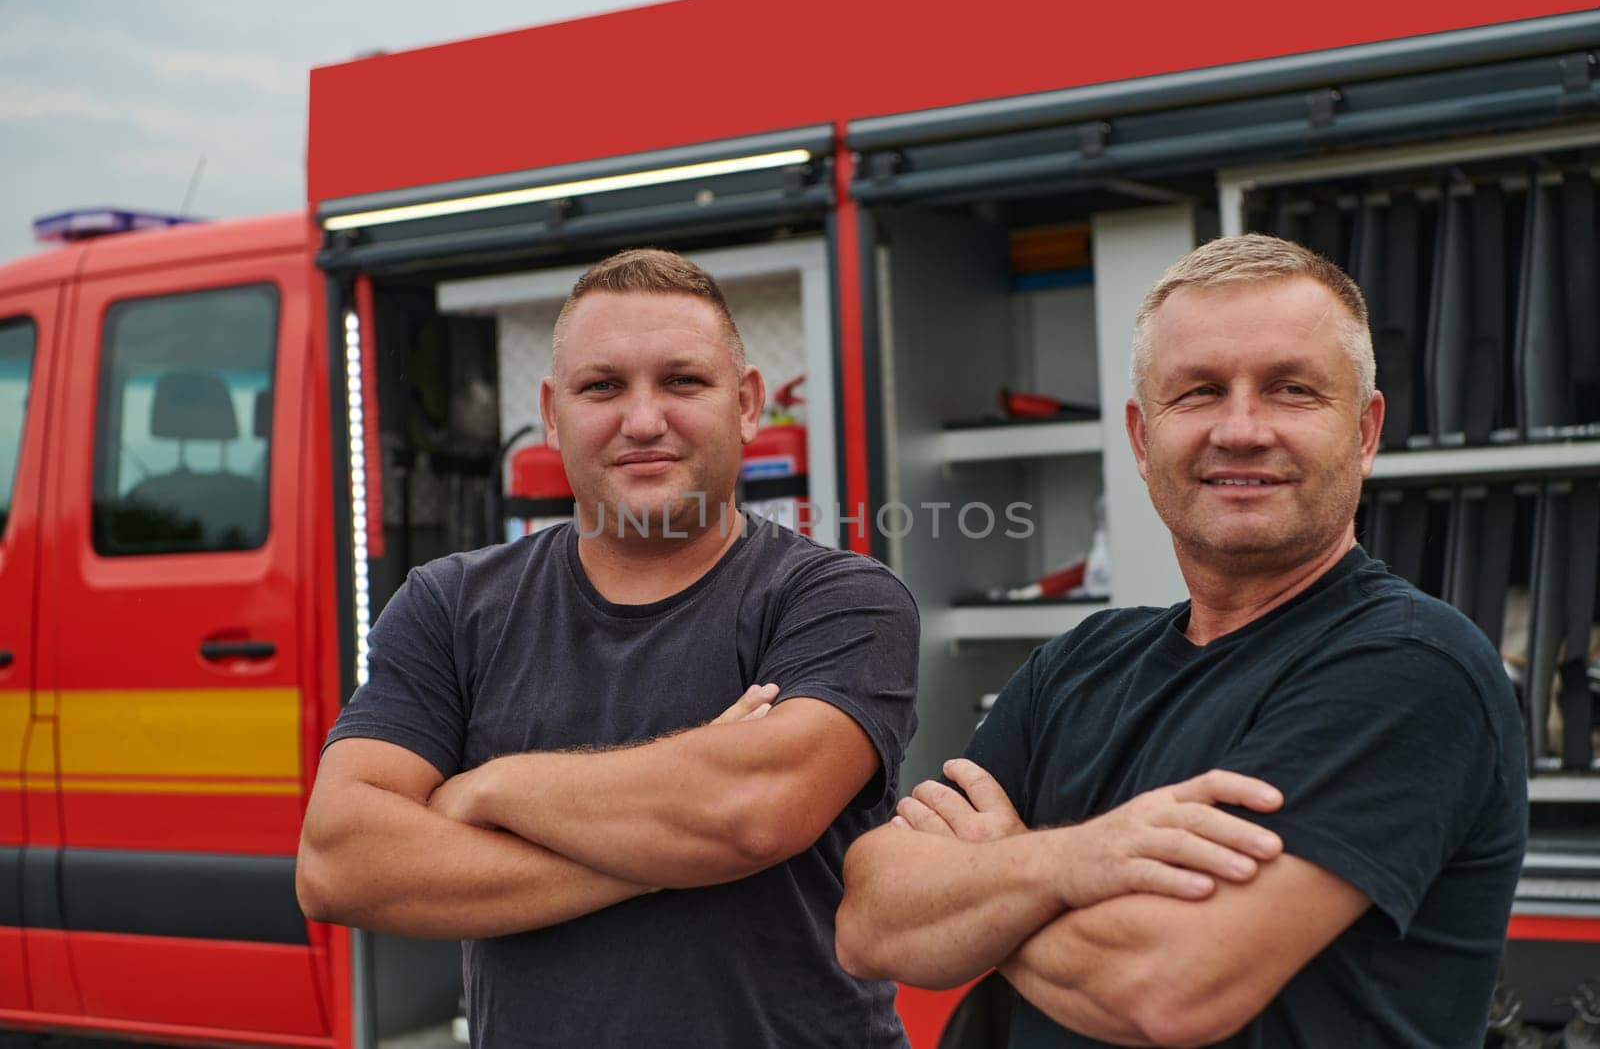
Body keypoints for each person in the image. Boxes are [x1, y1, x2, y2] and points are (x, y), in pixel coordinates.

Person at [835, 234, 1527, 1048]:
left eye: (1291, 389)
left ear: (1366, 431)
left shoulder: (1411, 666)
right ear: (1139, 436)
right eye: (1198, 392)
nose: (1240, 429)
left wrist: (994, 878)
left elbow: (1167, 990)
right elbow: (869, 920)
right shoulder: (1076, 666)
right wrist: (1074, 861)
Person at [295, 248, 926, 1047]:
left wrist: (488, 788)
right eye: (603, 387)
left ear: (748, 402)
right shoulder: (448, 604)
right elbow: (338, 863)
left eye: (682, 381)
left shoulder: (841, 600)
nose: (643, 419)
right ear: (553, 414)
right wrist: (681, 824)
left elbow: (749, 818)